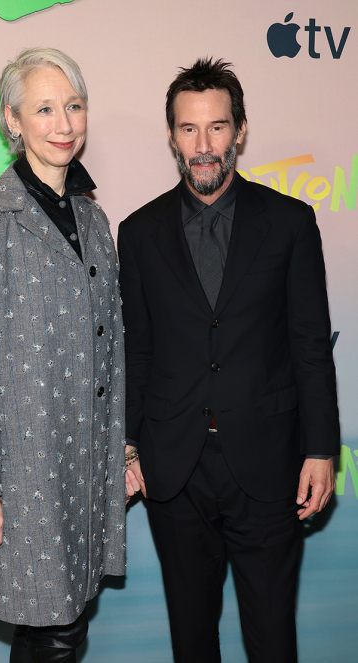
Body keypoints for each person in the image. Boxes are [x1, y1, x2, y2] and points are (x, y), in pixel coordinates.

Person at [118, 58, 340, 663]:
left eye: (217, 127)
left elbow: (310, 345)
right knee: (192, 640)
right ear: (172, 136)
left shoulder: (290, 223)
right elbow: (137, 350)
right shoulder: (137, 233)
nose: (203, 145)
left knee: (272, 638)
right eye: (189, 129)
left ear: (240, 130)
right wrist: (128, 445)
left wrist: (321, 449)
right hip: (174, 469)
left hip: (269, 463)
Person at [0, 47, 126, 663]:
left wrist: (123, 450)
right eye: (44, 109)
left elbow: (111, 347)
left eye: (73, 106)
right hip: (25, 469)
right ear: (13, 120)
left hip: (86, 463)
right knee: (55, 627)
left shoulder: (94, 219)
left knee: (55, 622)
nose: (64, 124)